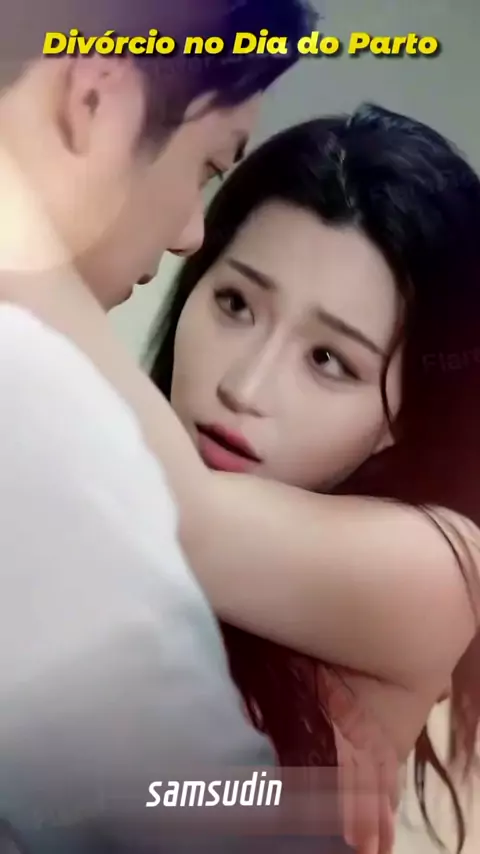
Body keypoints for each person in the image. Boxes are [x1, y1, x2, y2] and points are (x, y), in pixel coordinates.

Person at [0, 1, 315, 852]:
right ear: (96, 98)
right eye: (209, 166)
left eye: (329, 358)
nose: (188, 234)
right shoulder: (40, 411)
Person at [145, 104, 480, 853]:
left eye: (330, 360)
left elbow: (177, 516)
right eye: (236, 303)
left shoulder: (441, 568)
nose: (245, 387)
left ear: (404, 417)